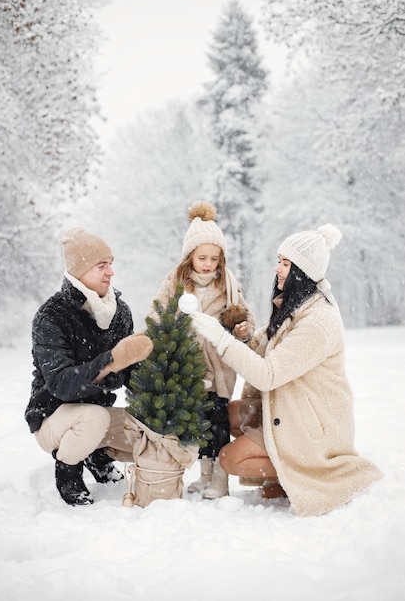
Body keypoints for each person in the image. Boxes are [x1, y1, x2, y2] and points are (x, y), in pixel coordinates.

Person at [190, 224, 383, 516]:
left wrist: (218, 339)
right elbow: (262, 347)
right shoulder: (296, 306)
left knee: (229, 459)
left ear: (302, 271)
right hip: (288, 409)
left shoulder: (317, 323)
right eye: (279, 261)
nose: (277, 269)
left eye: (285, 263)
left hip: (310, 427)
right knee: (224, 415)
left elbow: (268, 374)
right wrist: (240, 338)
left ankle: (299, 474)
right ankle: (279, 466)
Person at [25, 227, 153, 506]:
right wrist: (110, 362)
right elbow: (61, 385)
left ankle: (97, 454)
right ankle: (68, 471)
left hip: (99, 414)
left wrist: (154, 388)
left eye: (111, 264)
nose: (111, 272)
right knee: (93, 419)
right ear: (79, 271)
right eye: (101, 266)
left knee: (150, 429)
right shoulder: (52, 316)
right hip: (53, 418)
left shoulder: (120, 313)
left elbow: (131, 374)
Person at [148, 201, 256, 499]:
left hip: (220, 364)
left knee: (218, 419)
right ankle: (205, 474)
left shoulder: (228, 282)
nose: (208, 264)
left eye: (214, 258)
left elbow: (244, 315)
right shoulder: (176, 281)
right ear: (190, 257)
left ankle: (221, 479)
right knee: (197, 422)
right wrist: (164, 335)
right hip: (188, 363)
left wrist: (242, 329)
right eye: (202, 257)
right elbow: (157, 312)